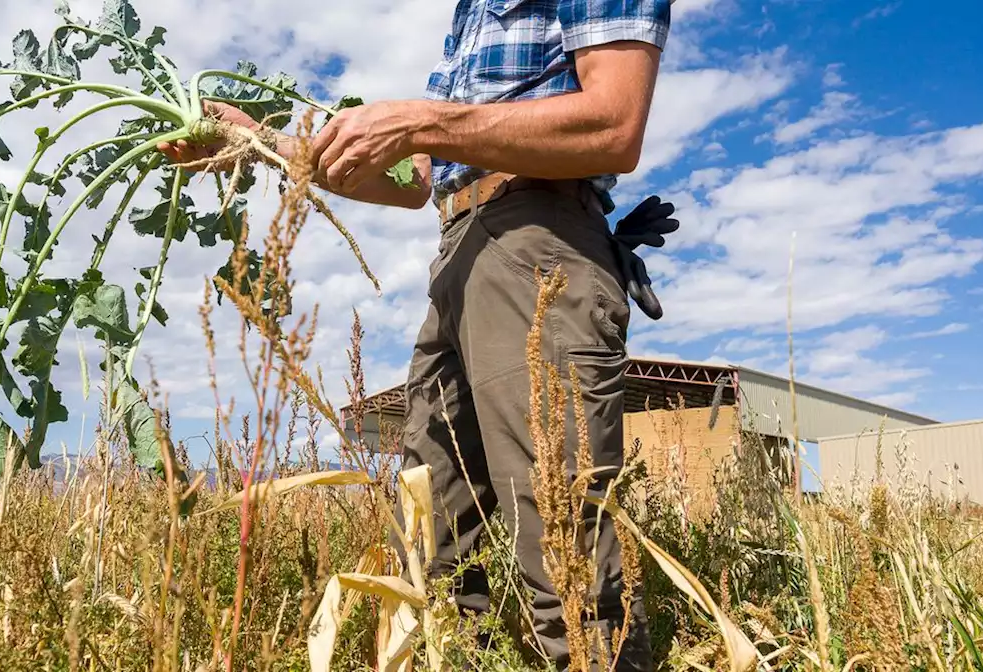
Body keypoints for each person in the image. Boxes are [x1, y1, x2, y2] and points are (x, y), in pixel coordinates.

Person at [159, 1, 679, 668]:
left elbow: (614, 125)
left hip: (537, 241)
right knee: (435, 547)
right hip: (459, 251)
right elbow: (413, 181)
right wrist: (255, 142)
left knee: (563, 554)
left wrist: (420, 121)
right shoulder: (471, 15)